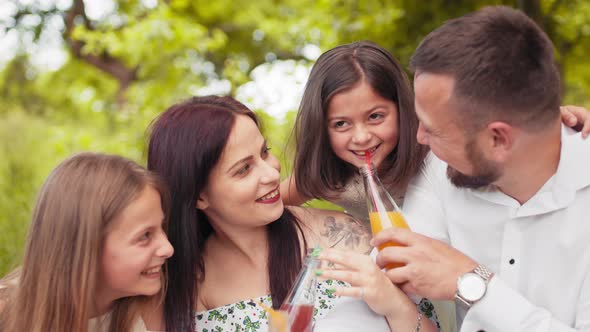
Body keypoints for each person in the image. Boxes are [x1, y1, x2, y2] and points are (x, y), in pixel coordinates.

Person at [372, 6, 590, 331]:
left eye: (434, 129)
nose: (419, 138)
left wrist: (474, 285)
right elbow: (385, 277)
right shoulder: (440, 166)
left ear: (499, 139)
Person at [144, 95, 438, 332]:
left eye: (264, 152)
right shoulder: (186, 287)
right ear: (199, 196)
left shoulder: (338, 236)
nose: (271, 173)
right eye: (244, 169)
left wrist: (393, 304)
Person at [0, 152, 174, 332]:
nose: (168, 248)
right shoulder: (7, 314)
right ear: (85, 247)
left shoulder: (150, 309)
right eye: (145, 236)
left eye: (162, 227)